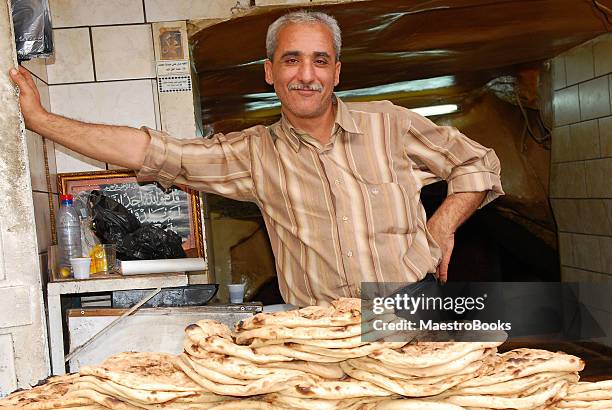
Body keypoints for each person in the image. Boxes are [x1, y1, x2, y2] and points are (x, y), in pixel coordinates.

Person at [10, 11, 503, 307]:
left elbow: (477, 163)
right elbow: (154, 150)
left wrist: (442, 227)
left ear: (337, 72)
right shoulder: (254, 152)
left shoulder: (389, 124)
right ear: (270, 71)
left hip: (410, 306)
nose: (305, 74)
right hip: (316, 329)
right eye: (291, 60)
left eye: (319, 60)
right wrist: (42, 121)